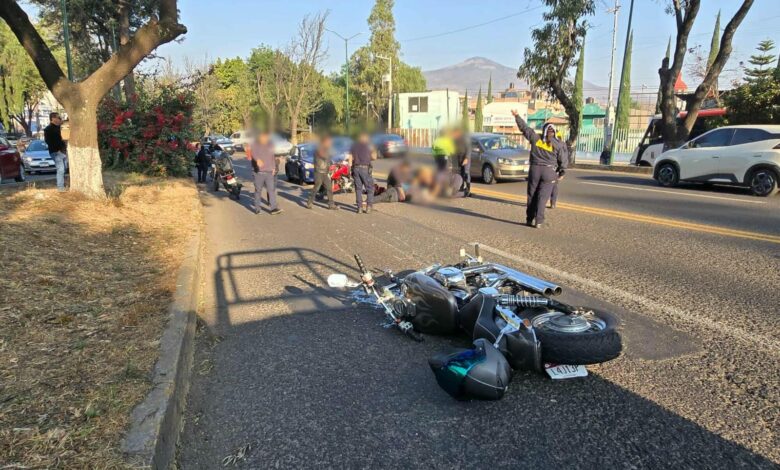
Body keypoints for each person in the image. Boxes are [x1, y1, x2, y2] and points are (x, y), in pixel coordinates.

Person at [511, 110, 567, 228]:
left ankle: (529, 219)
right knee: (543, 197)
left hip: (534, 170)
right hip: (549, 171)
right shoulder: (558, 144)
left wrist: (517, 116)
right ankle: (539, 221)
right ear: (554, 132)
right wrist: (562, 172)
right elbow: (563, 160)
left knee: (532, 195)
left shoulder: (536, 138)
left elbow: (524, 128)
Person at [249, 131, 282, 215]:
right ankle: (257, 208)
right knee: (258, 190)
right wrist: (257, 159)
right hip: (258, 172)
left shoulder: (270, 144)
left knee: (271, 190)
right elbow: (253, 153)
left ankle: (273, 208)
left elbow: (272, 156)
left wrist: (274, 167)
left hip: (269, 171)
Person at [307, 135, 337, 210]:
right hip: (319, 171)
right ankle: (310, 202)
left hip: (325, 172)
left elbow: (329, 160)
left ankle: (331, 204)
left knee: (329, 188)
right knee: (317, 188)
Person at [350, 131, 376, 213]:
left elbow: (350, 157)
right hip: (365, 168)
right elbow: (374, 157)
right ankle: (369, 207)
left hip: (356, 168)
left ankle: (359, 208)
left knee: (358, 189)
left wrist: (350, 168)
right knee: (370, 188)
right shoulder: (369, 145)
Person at [44, 112, 67, 191]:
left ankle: (62, 184)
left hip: (62, 151)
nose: (59, 119)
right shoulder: (48, 129)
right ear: (53, 119)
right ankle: (60, 187)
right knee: (61, 169)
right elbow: (48, 141)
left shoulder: (59, 127)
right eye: (58, 118)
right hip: (56, 152)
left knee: (64, 168)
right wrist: (58, 149)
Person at [548, 131, 568, 209]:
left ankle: (539, 203)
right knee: (554, 186)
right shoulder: (561, 145)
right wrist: (562, 172)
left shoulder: (547, 142)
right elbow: (563, 159)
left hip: (545, 168)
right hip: (554, 169)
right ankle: (553, 203)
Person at [452, 127, 471, 196]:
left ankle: (468, 189)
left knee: (466, 173)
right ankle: (462, 188)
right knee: (460, 174)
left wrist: (466, 158)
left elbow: (468, 149)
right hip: (458, 159)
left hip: (465, 159)